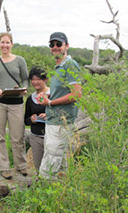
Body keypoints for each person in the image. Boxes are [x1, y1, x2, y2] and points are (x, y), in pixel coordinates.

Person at [37, 32, 82, 180]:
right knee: (60, 160)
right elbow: (63, 92)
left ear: (66, 46)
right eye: (52, 44)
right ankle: (60, 194)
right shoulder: (58, 66)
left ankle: (45, 191)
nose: (55, 47)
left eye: (59, 44)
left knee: (52, 159)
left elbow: (76, 94)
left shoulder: (70, 65)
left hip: (61, 121)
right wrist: (48, 96)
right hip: (54, 120)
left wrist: (49, 103)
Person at [0, 32, 29, 179]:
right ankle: (3, 167)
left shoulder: (20, 60)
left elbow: (25, 79)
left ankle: (21, 165)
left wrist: (24, 89)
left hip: (16, 102)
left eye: (7, 42)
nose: (4, 45)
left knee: (18, 136)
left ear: (12, 44)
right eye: (2, 42)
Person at [24, 67, 50, 172]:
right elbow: (25, 120)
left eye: (38, 79)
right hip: (36, 137)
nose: (35, 82)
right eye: (33, 80)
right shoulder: (30, 99)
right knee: (39, 166)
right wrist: (31, 119)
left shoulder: (54, 94)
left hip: (51, 135)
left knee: (53, 164)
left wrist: (49, 115)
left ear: (45, 80)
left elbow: (62, 114)